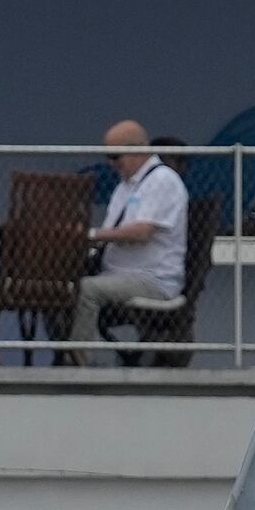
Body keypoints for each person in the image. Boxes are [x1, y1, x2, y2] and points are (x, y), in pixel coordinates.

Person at [79, 120, 187, 350]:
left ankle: (79, 360)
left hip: (151, 279)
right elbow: (109, 234)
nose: (111, 163)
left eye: (116, 156)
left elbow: (141, 232)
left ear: (138, 149)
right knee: (59, 287)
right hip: (117, 275)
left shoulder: (162, 180)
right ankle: (70, 350)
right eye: (108, 157)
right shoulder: (125, 186)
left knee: (86, 290)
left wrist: (93, 234)